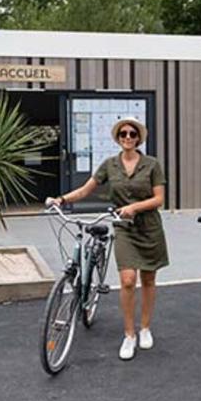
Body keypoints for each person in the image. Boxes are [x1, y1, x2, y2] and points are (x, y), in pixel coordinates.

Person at [47, 117, 169, 361]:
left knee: (148, 278)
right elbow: (86, 189)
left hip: (149, 228)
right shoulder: (109, 165)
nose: (128, 137)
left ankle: (145, 328)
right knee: (127, 280)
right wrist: (61, 200)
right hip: (124, 228)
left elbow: (159, 199)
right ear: (118, 138)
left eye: (132, 134)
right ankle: (129, 334)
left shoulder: (152, 164)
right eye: (123, 134)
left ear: (138, 138)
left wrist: (134, 207)